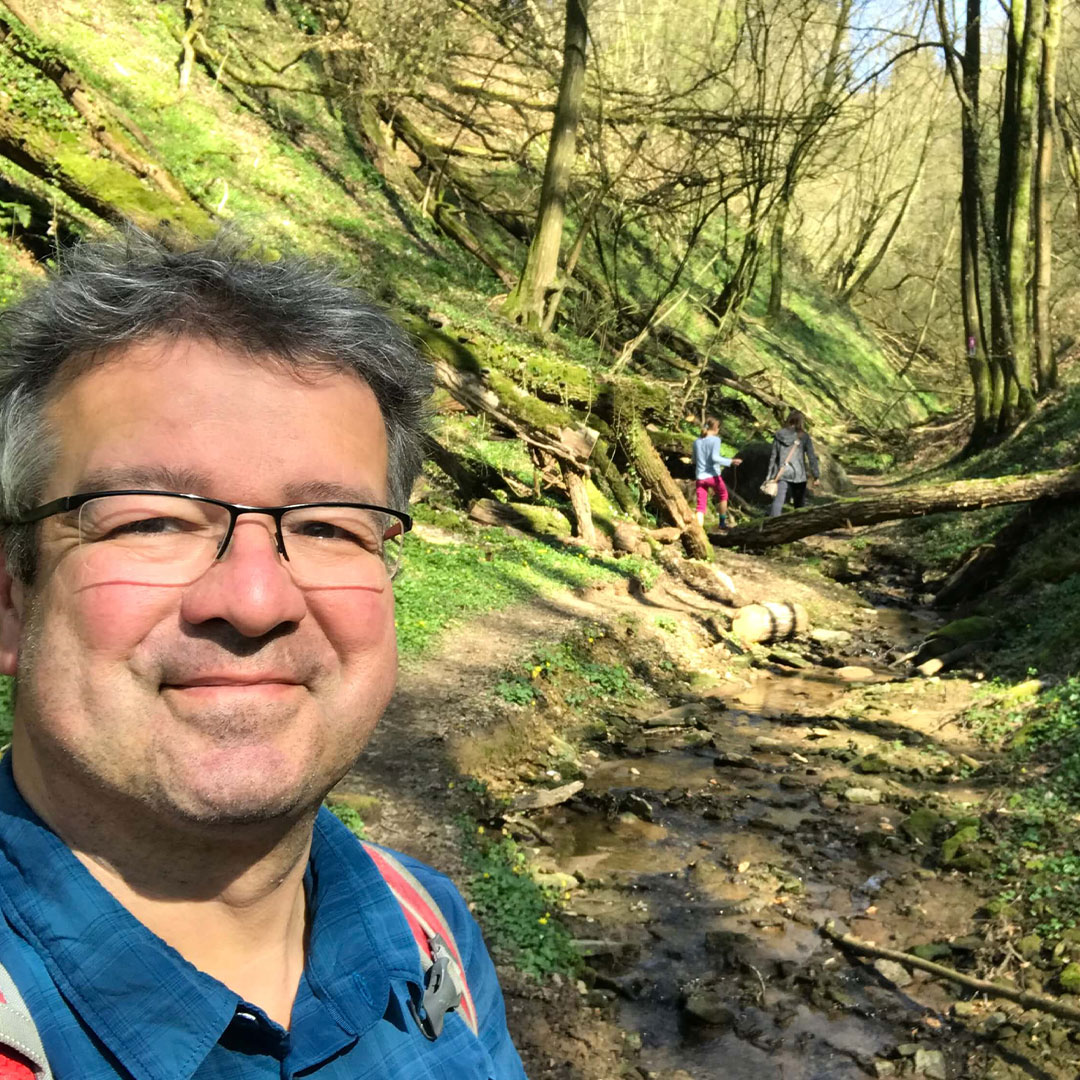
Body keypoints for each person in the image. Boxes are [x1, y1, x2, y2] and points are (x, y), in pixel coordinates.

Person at [0, 233, 528, 1079]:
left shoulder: (432, 932)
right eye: (151, 520)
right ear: (12, 598)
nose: (254, 602)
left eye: (328, 527)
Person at [766, 409, 820, 517]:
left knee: (778, 501)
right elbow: (811, 457)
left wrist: (770, 476)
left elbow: (773, 457)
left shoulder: (779, 435)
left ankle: (772, 525)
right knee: (799, 504)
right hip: (799, 474)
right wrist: (816, 475)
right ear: (801, 422)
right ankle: (798, 527)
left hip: (782, 472)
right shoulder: (804, 436)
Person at [692, 417, 742, 529]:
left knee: (700, 506)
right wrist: (731, 461)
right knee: (724, 495)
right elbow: (715, 457)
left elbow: (694, 460)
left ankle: (698, 531)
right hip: (713, 476)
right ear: (715, 428)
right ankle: (722, 523)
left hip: (700, 477)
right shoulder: (715, 440)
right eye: (718, 428)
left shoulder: (697, 442)